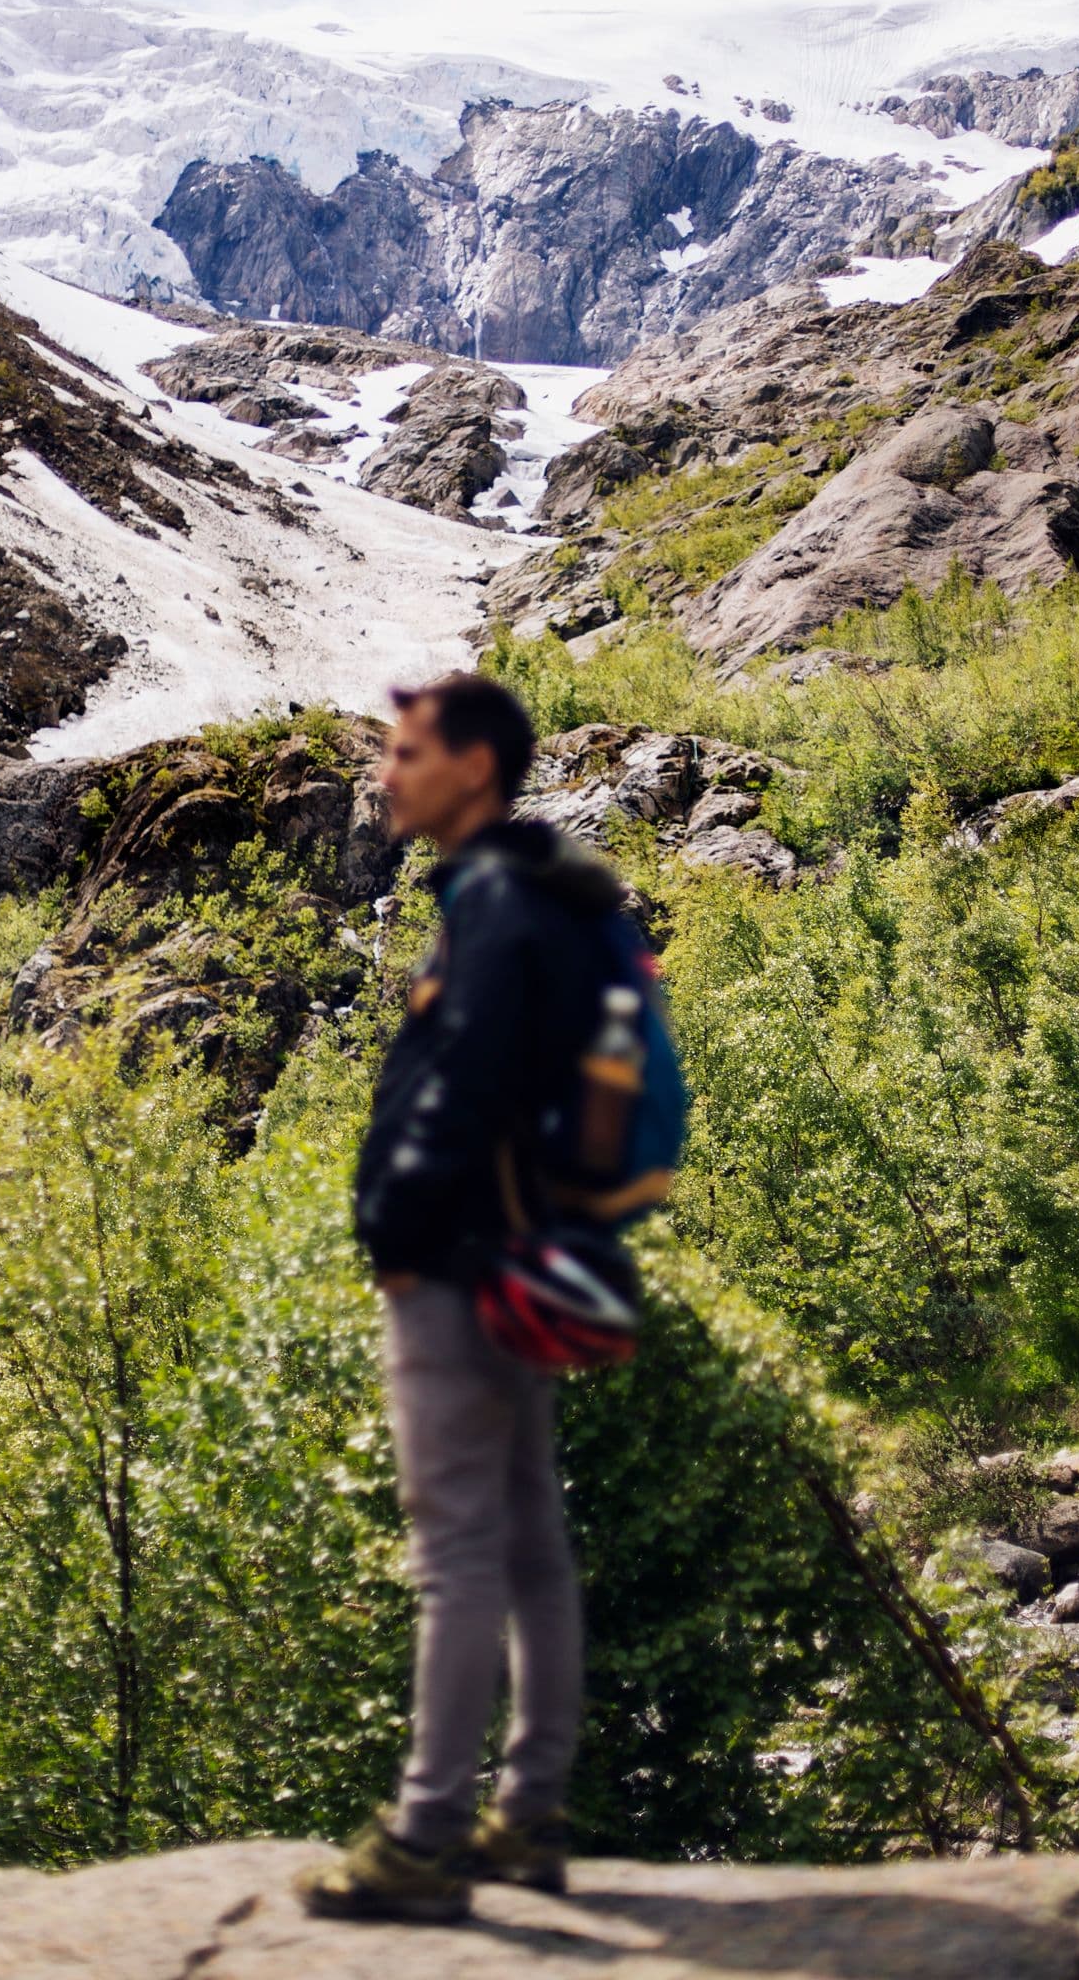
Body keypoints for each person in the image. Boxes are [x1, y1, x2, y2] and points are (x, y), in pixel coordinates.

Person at [300, 672, 625, 1925]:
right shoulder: (540, 891)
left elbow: (468, 1080)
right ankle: (528, 1812)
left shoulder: (491, 900)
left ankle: (428, 1836)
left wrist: (396, 1226)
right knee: (530, 1537)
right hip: (524, 1251)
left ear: (473, 768)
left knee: (454, 1554)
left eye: (406, 753)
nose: (385, 774)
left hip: (455, 1261)